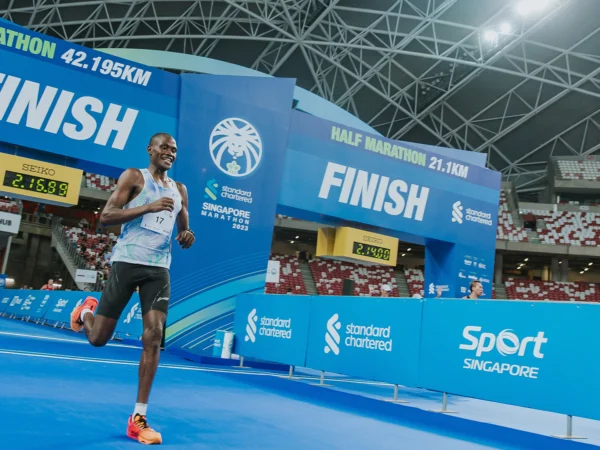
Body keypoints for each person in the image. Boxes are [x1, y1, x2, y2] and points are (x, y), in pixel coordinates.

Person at [69, 133, 195, 445]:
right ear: (150, 149)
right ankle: (86, 312)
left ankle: (138, 418)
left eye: (174, 149)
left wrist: (187, 235)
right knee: (98, 339)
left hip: (158, 270)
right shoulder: (134, 177)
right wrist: (147, 207)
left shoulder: (180, 190)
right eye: (164, 147)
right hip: (126, 262)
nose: (169, 153)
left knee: (153, 336)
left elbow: (184, 227)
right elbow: (106, 217)